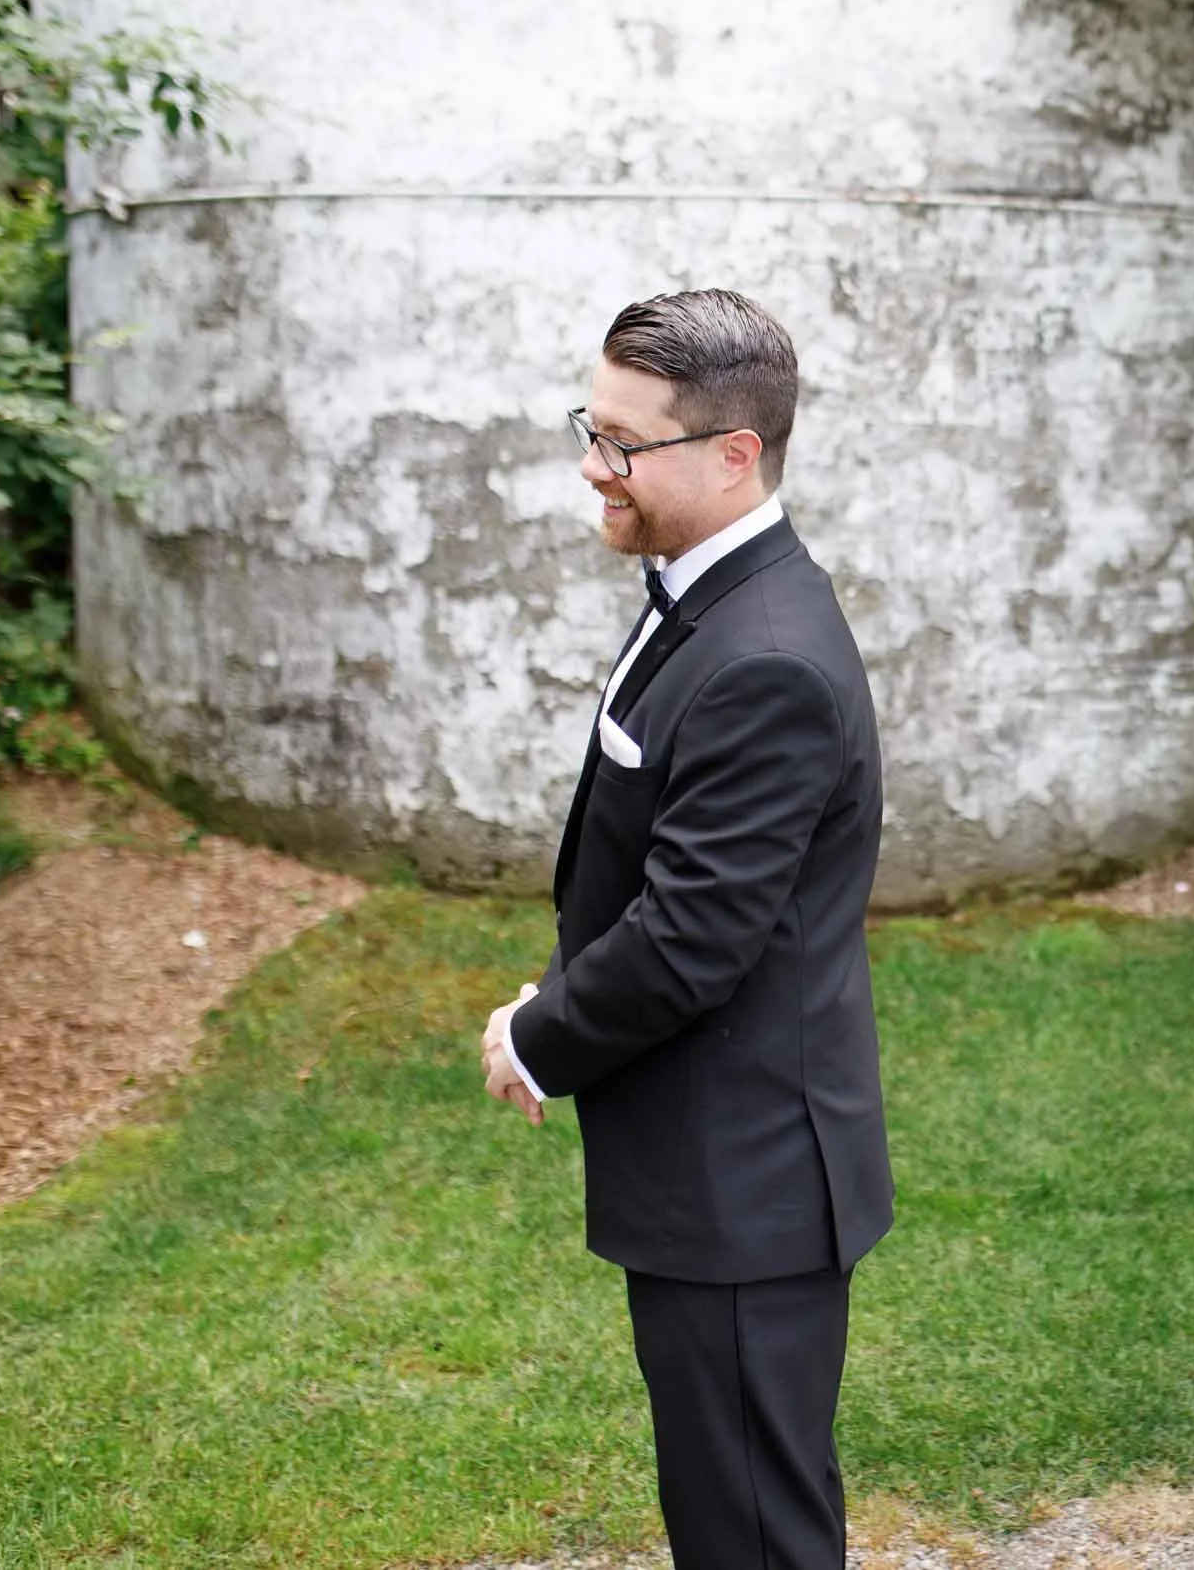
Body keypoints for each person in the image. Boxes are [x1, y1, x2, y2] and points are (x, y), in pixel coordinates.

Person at [477, 289, 893, 1570]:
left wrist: (539, 1034)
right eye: (589, 428)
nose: (592, 466)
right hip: (715, 1158)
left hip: (745, 1178)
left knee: (755, 1535)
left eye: (621, 443)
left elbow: (692, 937)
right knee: (735, 1513)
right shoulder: (699, 590)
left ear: (734, 454)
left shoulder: (765, 654)